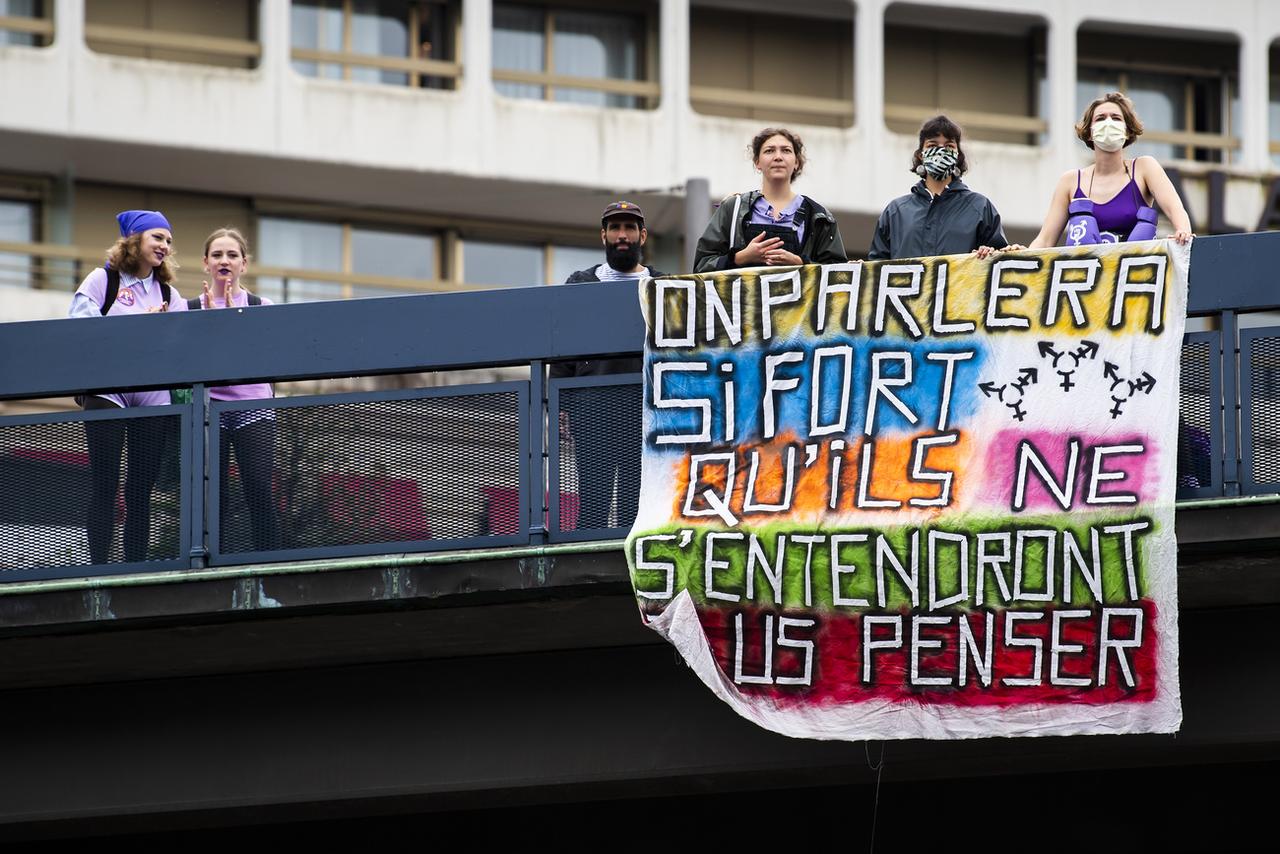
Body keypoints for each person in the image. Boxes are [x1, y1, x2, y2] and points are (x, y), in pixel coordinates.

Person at [69, 210, 187, 564]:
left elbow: (184, 344)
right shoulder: (102, 280)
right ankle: (98, 568)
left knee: (141, 490)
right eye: (157, 238)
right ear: (134, 241)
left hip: (151, 390)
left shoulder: (168, 292)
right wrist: (137, 328)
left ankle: (136, 568)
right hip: (109, 388)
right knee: (105, 484)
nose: (165, 245)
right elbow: (77, 329)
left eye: (168, 240)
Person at [553, 201, 666, 531]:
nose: (622, 235)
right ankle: (587, 568)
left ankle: (631, 574)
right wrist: (559, 404)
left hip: (644, 410)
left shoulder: (661, 284)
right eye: (615, 228)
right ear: (603, 235)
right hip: (592, 405)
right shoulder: (581, 283)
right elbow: (563, 347)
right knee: (593, 500)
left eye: (629, 228)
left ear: (642, 236)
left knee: (638, 499)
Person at [192, 227, 280, 553]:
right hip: (207, 407)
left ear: (244, 264)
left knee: (258, 488)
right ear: (205, 263)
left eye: (232, 255)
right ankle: (217, 565)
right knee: (214, 494)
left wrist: (234, 326)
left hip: (253, 405)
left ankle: (269, 566)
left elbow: (265, 359)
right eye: (217, 255)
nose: (224, 261)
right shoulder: (189, 309)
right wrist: (210, 328)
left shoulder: (261, 305)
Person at [1027, 91, 1193, 249]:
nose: (1108, 123)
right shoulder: (1070, 181)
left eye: (1116, 118)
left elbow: (1175, 209)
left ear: (1127, 131)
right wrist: (1021, 254)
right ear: (1089, 132)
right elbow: (1045, 239)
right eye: (1100, 118)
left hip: (1134, 273)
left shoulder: (1144, 168)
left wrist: (1183, 231)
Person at [694, 127, 848, 272]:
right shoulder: (732, 209)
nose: (778, 157)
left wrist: (801, 264)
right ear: (757, 162)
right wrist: (740, 258)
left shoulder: (819, 217)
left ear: (796, 162)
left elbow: (839, 275)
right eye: (769, 151)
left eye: (786, 151)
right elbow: (701, 267)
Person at [868, 115, 1008, 260]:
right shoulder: (896, 211)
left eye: (949, 146)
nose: (941, 150)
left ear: (958, 155)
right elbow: (876, 269)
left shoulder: (980, 207)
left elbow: (1000, 262)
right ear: (920, 155)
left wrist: (990, 254)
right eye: (932, 145)